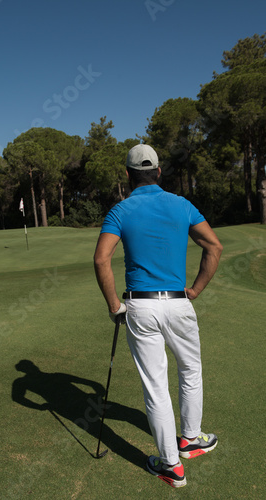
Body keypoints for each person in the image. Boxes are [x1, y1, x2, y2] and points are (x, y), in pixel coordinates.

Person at [93, 144, 223, 488]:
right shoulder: (182, 205)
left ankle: (170, 467)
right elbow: (214, 246)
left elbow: (101, 259)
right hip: (178, 302)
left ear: (127, 175)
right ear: (159, 172)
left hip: (140, 305)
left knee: (156, 387)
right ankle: (191, 441)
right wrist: (194, 291)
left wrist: (113, 307)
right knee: (190, 370)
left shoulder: (120, 210)